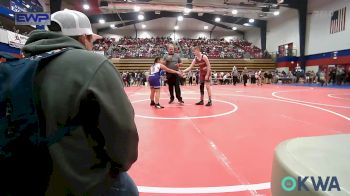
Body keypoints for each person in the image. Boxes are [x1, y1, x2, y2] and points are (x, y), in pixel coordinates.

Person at [22, 9, 139, 195]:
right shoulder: (93, 63)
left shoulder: (18, 65)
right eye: (91, 41)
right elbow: (123, 133)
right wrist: (121, 164)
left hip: (24, 177)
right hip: (76, 180)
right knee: (128, 188)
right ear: (84, 38)